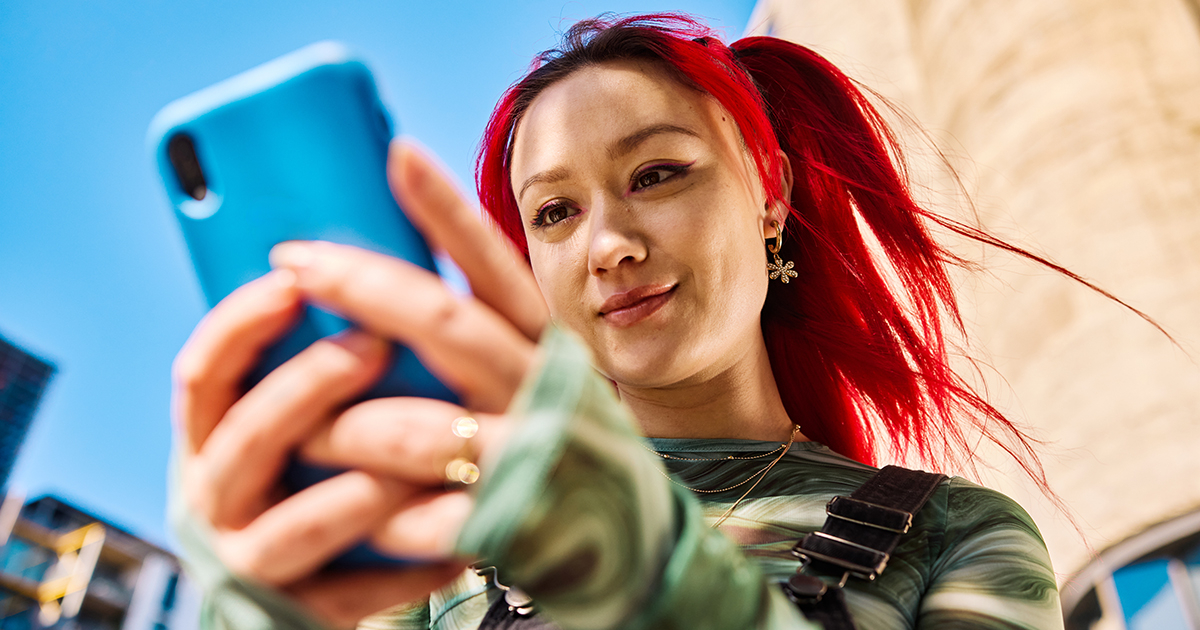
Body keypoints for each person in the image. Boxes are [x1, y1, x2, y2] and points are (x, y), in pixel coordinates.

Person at [170, 13, 1065, 630]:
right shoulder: (434, 559)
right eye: (554, 213)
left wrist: (656, 577)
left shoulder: (957, 534)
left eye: (656, 174)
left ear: (771, 193)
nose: (608, 245)